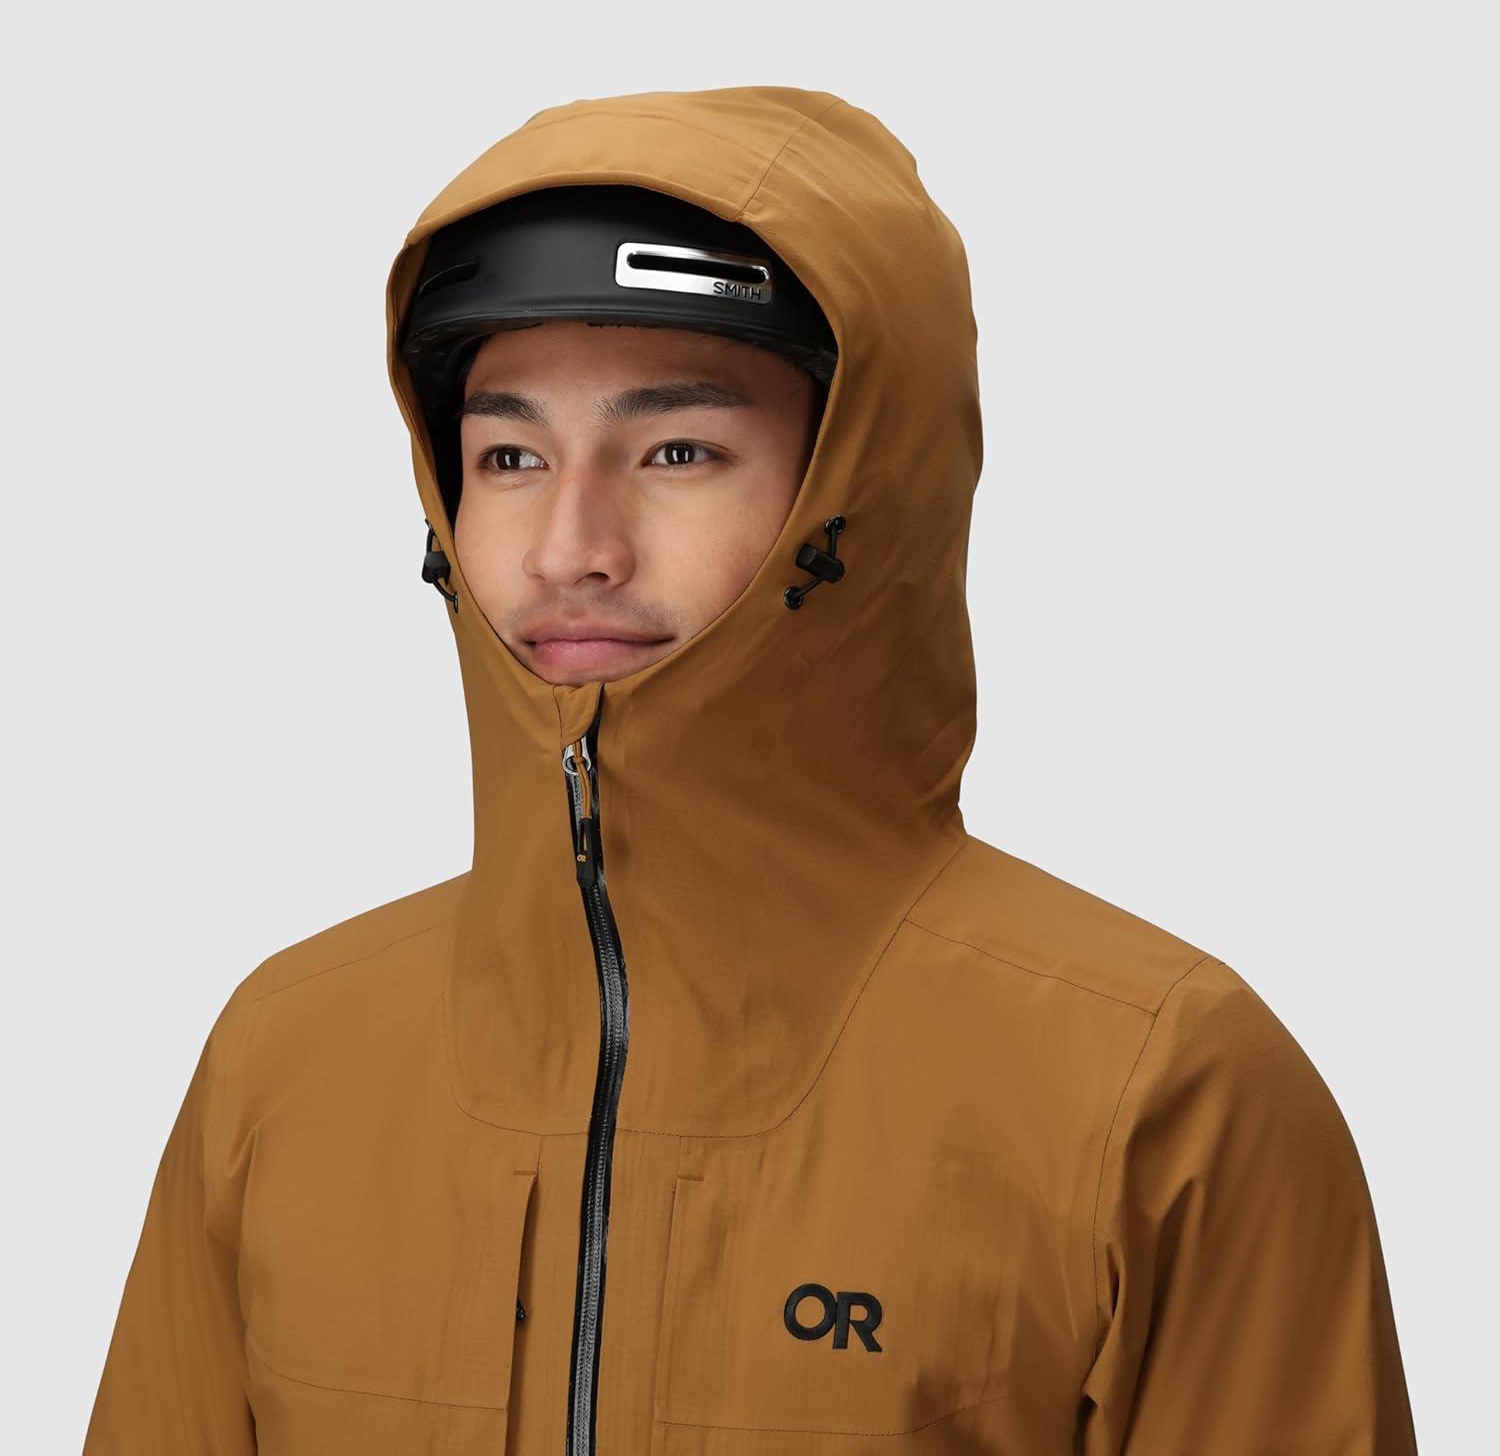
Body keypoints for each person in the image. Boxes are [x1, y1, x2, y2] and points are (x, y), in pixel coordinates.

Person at [84, 85, 1418, 1455]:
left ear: (861, 502)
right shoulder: (286, 1060)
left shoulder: (1156, 1088)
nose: (570, 548)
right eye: (510, 454)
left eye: (680, 450)